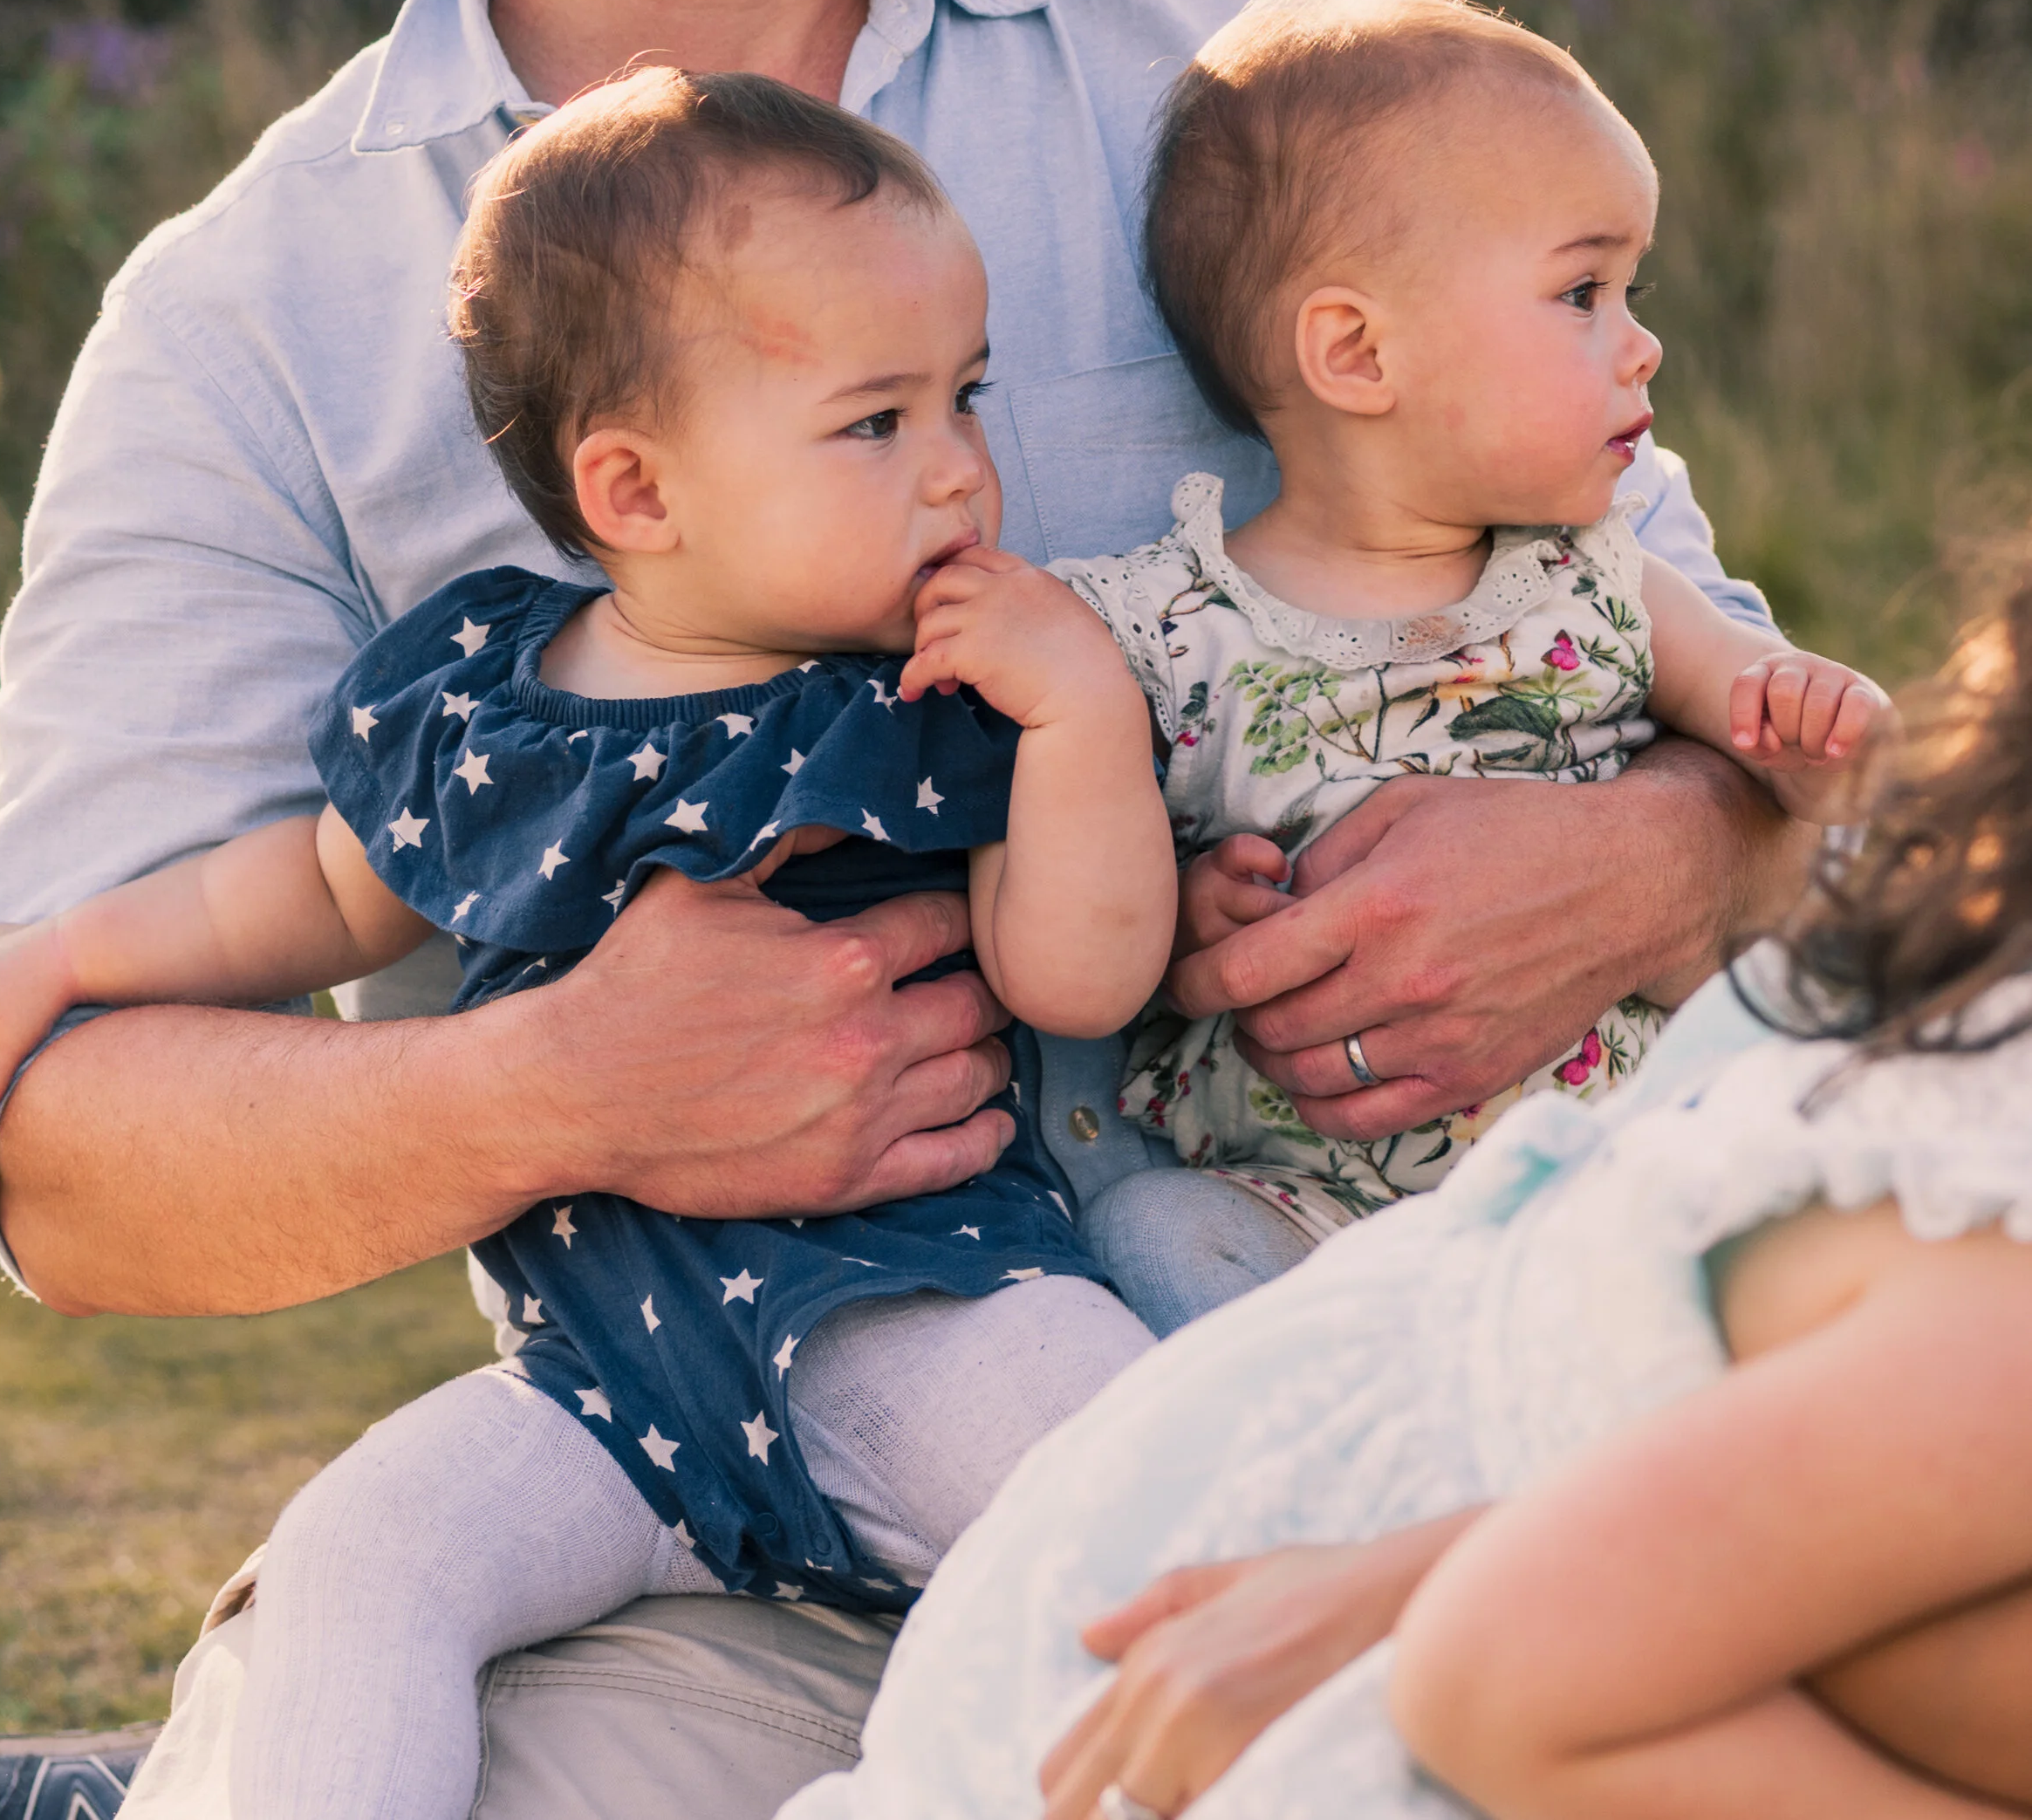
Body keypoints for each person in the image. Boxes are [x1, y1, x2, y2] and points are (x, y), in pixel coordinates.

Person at [0, 0, 1800, 1820]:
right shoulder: (258, 316)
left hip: (1372, 1458)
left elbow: (1806, 766)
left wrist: (1660, 854)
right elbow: (63, 1152)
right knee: (376, 1710)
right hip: (729, 1536)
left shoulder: (1277, 95)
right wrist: (561, 1087)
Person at [0, 66, 1174, 1820]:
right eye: (875, 421)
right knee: (362, 1558)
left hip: (927, 1315)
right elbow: (302, 896)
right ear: (635, 489)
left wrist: (1085, 718)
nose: (960, 465)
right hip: (605, 1390)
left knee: (1141, 1509)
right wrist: (59, 958)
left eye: (966, 395)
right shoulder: (482, 699)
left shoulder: (936, 692)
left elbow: (1078, 975)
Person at [782, 564, 2032, 1820]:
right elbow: (1514, 1671)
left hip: (1241, 1615)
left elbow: (1566, 1632)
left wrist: (1406, 1571)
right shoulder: (1982, 1289)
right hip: (1200, 1669)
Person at [1052, 0, 1886, 1247]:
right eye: (1583, 292)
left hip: (1621, 1157)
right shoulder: (1170, 632)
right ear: (1358, 354)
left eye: (1632, 292)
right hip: (1311, 1201)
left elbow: (1805, 753)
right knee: (1164, 1233)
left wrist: (1816, 730)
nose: (1643, 345)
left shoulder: (1595, 576)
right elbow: (1104, 905)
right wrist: (1187, 912)